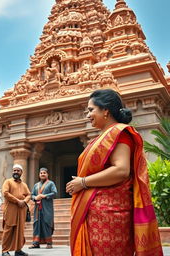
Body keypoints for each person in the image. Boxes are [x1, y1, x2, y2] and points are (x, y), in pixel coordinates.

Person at [66, 89, 163, 256]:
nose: (87, 115)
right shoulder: (102, 137)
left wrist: (83, 182)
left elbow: (121, 170)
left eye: (91, 110)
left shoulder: (119, 134)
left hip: (109, 217)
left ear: (105, 111)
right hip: (97, 214)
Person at [1, 164, 31, 256]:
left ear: (21, 172)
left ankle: (18, 250)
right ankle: (4, 251)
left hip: (21, 211)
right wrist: (18, 201)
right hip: (10, 210)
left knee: (20, 230)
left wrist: (24, 201)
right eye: (14, 170)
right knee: (8, 230)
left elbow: (29, 195)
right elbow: (5, 193)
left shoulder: (24, 184)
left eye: (18, 171)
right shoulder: (8, 182)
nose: (16, 172)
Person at [29, 167, 57, 249]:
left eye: (44, 173)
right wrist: (35, 198)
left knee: (47, 223)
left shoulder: (51, 183)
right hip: (37, 209)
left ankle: (49, 243)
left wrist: (44, 196)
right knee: (37, 224)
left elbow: (54, 193)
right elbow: (31, 195)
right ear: (39, 175)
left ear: (47, 174)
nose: (42, 174)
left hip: (47, 208)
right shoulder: (36, 185)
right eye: (41, 173)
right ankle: (36, 243)